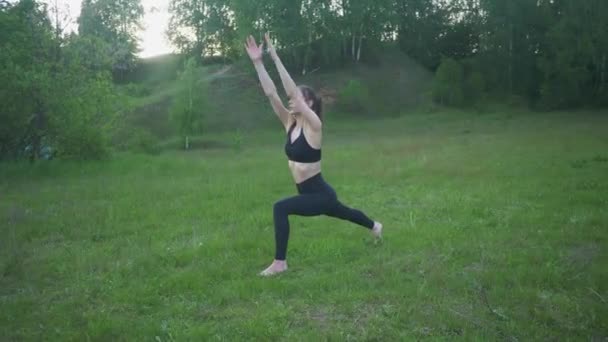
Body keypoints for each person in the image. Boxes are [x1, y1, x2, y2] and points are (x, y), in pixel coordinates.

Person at [245, 33, 383, 276]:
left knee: (280, 208)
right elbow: (271, 94)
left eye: (302, 97)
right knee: (346, 213)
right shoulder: (290, 124)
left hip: (319, 194)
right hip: (314, 193)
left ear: (310, 104)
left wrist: (275, 57)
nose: (295, 100)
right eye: (297, 97)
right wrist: (258, 63)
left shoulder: (315, 127)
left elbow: (292, 94)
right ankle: (375, 226)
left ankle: (280, 263)